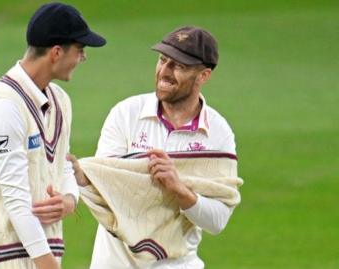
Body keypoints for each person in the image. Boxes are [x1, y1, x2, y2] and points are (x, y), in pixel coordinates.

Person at [69, 26, 238, 269]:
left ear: (203, 76)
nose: (165, 72)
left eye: (178, 65)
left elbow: (217, 221)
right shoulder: (126, 114)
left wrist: (179, 189)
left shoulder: (218, 133)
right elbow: (105, 188)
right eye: (162, 60)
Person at [0, 3, 106, 269]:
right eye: (80, 50)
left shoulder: (61, 101)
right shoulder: (3, 107)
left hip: (47, 255)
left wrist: (69, 198)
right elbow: (15, 198)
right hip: (6, 260)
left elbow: (62, 161)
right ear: (56, 52)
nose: (83, 58)